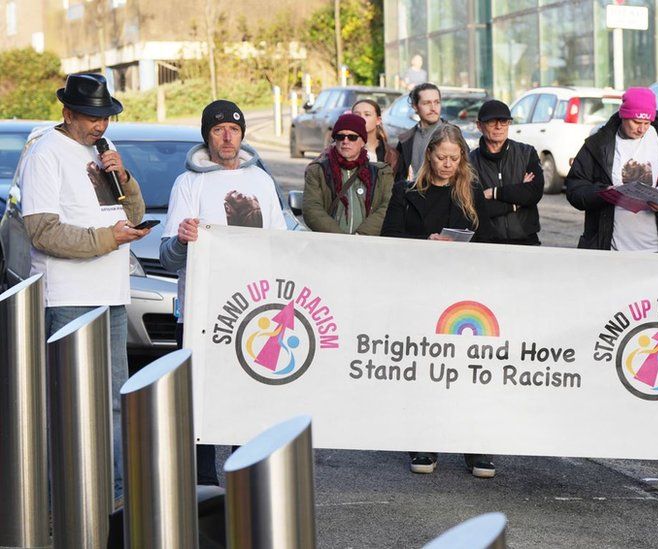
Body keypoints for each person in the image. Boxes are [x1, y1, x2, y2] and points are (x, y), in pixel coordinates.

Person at [20, 72, 150, 501]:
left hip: (111, 294)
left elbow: (131, 212)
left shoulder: (104, 151)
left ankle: (113, 492)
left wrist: (124, 178)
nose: (100, 126)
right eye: (92, 118)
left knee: (114, 399)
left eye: (105, 117)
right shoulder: (45, 153)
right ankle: (62, 496)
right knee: (69, 403)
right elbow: (42, 231)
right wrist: (108, 239)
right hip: (68, 297)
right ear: (68, 112)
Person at [159, 100, 287, 486]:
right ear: (207, 136)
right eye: (218, 130)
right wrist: (183, 240)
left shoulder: (262, 182)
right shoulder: (189, 183)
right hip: (202, 310)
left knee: (245, 395)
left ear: (243, 134)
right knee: (200, 397)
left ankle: (245, 476)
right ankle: (203, 484)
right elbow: (167, 257)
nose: (227, 136)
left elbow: (281, 246)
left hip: (253, 311)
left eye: (233, 129)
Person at [381, 124, 496, 477]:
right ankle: (423, 441)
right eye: (441, 157)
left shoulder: (471, 193)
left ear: (462, 159)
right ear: (429, 155)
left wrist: (460, 244)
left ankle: (474, 445)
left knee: (469, 373)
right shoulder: (406, 191)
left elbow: (489, 242)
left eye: (454, 158)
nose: (447, 164)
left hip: (464, 297)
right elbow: (390, 238)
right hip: (420, 291)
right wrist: (425, 243)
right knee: (425, 370)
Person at [565, 86, 658, 253]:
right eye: (636, 122)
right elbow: (575, 190)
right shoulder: (598, 145)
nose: (642, 128)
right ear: (623, 115)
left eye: (647, 123)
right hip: (611, 249)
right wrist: (604, 192)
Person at [302, 113, 394, 236]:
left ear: (362, 141)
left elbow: (388, 207)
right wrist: (340, 239)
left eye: (352, 137)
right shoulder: (318, 171)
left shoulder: (381, 174)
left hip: (369, 245)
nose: (345, 141)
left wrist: (362, 235)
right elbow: (312, 209)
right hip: (330, 245)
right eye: (340, 136)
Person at [468, 99, 544, 245]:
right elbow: (475, 208)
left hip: (526, 239)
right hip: (487, 242)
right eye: (492, 122)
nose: (498, 127)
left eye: (504, 121)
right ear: (479, 125)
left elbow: (533, 193)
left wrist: (493, 193)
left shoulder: (527, 153)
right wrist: (515, 203)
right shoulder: (469, 163)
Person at [394, 83, 467, 182]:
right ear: (415, 106)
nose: (433, 108)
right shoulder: (406, 139)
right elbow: (399, 178)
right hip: (415, 195)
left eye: (437, 102)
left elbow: (466, 172)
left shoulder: (454, 134)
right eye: (427, 103)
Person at [351, 99, 399, 167]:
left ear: (378, 120)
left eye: (367, 114)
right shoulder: (340, 148)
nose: (361, 118)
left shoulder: (391, 155)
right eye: (357, 115)